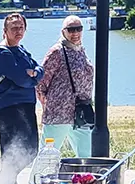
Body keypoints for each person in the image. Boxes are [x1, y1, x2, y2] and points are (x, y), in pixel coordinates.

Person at [0, 13, 44, 184]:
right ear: (5, 31)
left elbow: (40, 70)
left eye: (21, 27)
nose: (18, 31)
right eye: (13, 28)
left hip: (26, 106)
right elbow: (22, 79)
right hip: (9, 109)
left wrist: (34, 74)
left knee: (31, 150)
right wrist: (31, 77)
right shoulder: (2, 54)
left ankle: (0, 182)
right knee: (12, 151)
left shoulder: (21, 51)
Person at [36, 16, 95, 158]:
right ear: (63, 31)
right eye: (71, 30)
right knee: (48, 154)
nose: (75, 33)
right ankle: (37, 180)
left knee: (86, 155)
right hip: (59, 113)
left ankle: (84, 180)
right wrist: (46, 102)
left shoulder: (80, 50)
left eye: (79, 29)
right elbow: (41, 80)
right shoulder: (56, 52)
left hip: (81, 112)